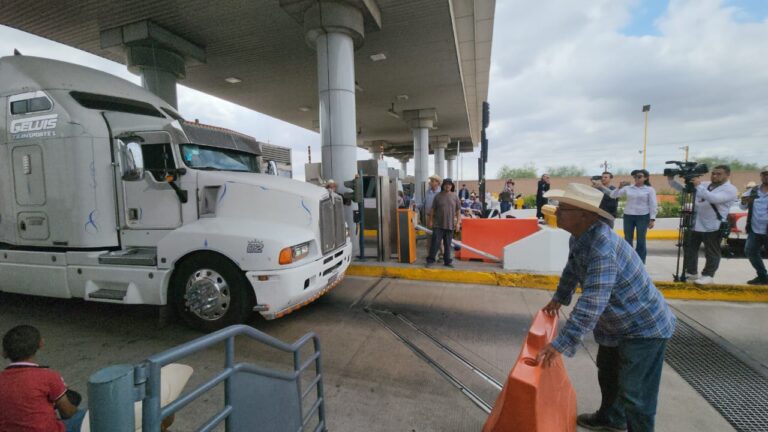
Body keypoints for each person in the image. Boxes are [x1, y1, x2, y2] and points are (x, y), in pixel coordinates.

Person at [535, 183, 676, 432]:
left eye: (563, 208)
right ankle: (611, 418)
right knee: (608, 374)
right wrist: (560, 297)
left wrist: (561, 343)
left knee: (636, 394)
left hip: (643, 328)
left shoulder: (602, 248)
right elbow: (572, 268)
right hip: (616, 325)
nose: (556, 212)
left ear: (585, 215)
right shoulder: (579, 237)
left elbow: (592, 302)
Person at [1, 325, 86, 432]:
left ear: (4, 353)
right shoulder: (48, 376)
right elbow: (67, 412)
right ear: (41, 343)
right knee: (87, 415)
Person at [668, 165, 738, 285]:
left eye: (719, 174)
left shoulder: (730, 189)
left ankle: (708, 275)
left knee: (711, 252)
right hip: (695, 223)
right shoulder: (705, 184)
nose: (714, 176)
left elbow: (714, 199)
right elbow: (684, 190)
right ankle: (691, 272)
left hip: (713, 225)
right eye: (713, 173)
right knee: (689, 248)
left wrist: (698, 185)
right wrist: (671, 179)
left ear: (727, 175)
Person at [610, 169, 657, 263]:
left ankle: (641, 262)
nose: (637, 178)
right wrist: (619, 187)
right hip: (628, 216)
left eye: (639, 176)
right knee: (627, 239)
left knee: (641, 240)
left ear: (646, 178)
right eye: (635, 176)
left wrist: (652, 219)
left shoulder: (649, 189)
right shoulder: (628, 188)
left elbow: (653, 204)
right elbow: (612, 195)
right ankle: (628, 261)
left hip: (643, 216)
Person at [740, 166, 768, 285]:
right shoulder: (753, 191)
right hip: (755, 229)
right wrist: (744, 201)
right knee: (750, 251)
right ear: (761, 176)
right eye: (764, 174)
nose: (767, 176)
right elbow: (743, 206)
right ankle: (762, 275)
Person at [426, 178, 461, 268]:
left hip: (449, 225)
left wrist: (458, 223)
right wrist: (430, 221)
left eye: (449, 184)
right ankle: (430, 260)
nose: (448, 186)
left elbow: (458, 211)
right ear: (443, 186)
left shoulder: (455, 196)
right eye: (446, 184)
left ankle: (447, 261)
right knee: (435, 244)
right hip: (438, 224)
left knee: (448, 245)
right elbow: (432, 210)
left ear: (451, 186)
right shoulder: (437, 196)